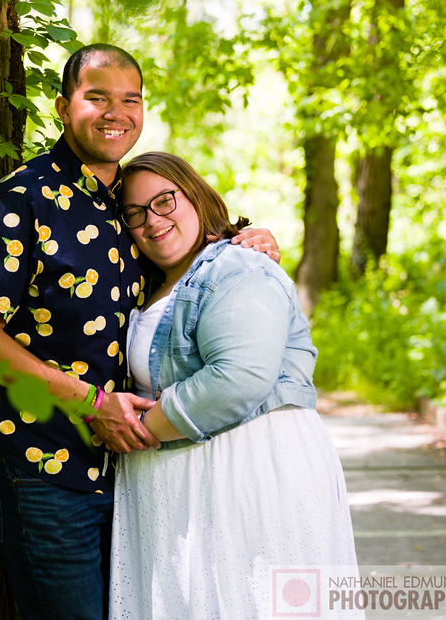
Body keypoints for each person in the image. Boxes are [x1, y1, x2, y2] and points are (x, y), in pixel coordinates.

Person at [0, 44, 280, 619]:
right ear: (62, 105)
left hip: (129, 475)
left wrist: (247, 239)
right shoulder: (21, 201)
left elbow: (183, 272)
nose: (115, 112)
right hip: (39, 463)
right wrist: (91, 403)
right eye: (96, 97)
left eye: (130, 99)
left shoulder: (126, 207)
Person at [109, 151, 358, 618]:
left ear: (197, 197)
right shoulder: (146, 285)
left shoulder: (240, 267)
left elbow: (238, 378)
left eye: (165, 201)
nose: (152, 221)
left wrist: (139, 429)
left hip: (244, 473)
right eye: (134, 213)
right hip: (179, 488)